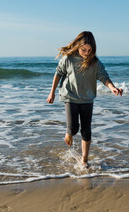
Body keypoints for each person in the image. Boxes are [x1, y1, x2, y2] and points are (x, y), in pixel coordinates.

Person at [47, 31, 123, 168]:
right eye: (83, 49)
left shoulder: (95, 62)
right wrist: (51, 93)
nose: (86, 52)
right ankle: (69, 133)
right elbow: (58, 74)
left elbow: (103, 77)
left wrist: (112, 88)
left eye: (89, 50)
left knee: (86, 130)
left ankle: (84, 159)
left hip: (87, 99)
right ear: (77, 46)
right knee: (74, 128)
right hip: (70, 97)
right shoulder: (68, 59)